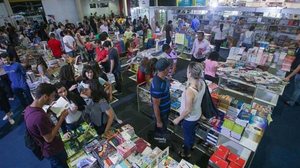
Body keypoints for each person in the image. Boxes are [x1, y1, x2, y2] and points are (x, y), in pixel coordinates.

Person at [24, 83, 69, 168]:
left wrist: (48, 111)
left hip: (48, 149)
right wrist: (62, 118)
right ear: (45, 97)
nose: (53, 99)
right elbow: (49, 138)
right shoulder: (38, 117)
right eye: (52, 96)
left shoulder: (29, 109)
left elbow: (40, 126)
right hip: (53, 149)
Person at [173, 62, 206, 158]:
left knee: (187, 136)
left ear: (190, 73)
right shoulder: (202, 83)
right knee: (192, 132)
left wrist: (178, 119)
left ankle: (186, 153)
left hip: (189, 118)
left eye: (187, 71)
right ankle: (191, 145)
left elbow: (187, 110)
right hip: (197, 114)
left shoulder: (190, 91)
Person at [150, 58, 171, 143]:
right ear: (165, 69)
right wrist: (159, 121)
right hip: (161, 113)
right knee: (161, 129)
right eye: (169, 68)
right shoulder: (158, 86)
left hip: (165, 110)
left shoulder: (162, 78)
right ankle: (160, 143)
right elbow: (155, 105)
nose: (170, 69)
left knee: (163, 127)